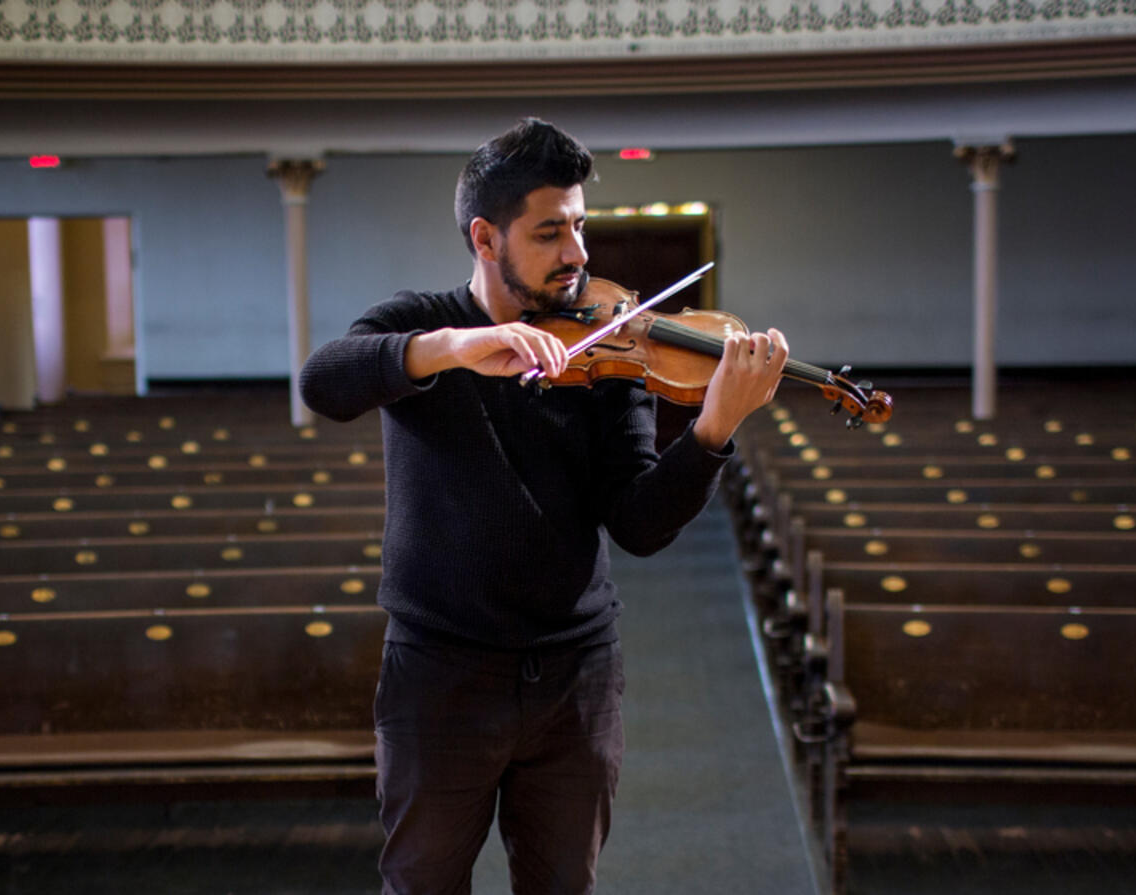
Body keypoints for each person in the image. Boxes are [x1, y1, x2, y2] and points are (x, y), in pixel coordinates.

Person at [299, 117, 788, 895]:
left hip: (575, 675)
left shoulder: (611, 344)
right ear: (485, 237)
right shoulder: (419, 323)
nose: (578, 253)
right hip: (440, 673)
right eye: (550, 232)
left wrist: (711, 431)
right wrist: (453, 348)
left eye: (580, 225)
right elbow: (324, 381)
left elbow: (638, 524)